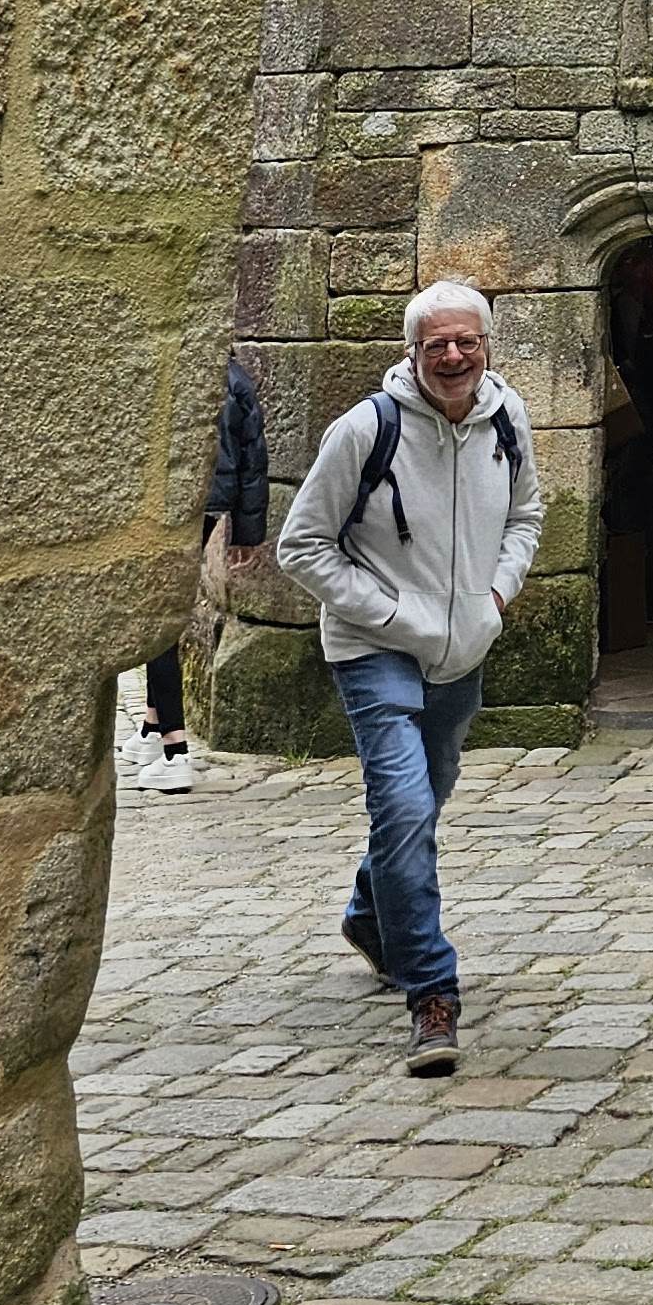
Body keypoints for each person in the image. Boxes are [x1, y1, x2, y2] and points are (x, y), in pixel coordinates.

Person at [277, 278, 542, 1076]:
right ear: (413, 350)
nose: (453, 356)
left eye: (466, 341)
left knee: (422, 803)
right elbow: (302, 545)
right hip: (373, 650)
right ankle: (432, 994)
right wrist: (392, 614)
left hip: (463, 649)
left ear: (486, 345)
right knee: (402, 805)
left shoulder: (508, 418)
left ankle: (371, 916)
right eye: (438, 344)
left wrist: (495, 598)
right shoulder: (366, 429)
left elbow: (525, 517)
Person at [131, 352, 271, 792]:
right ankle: (152, 727)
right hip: (208, 504)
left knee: (156, 621)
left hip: (169, 507)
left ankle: (175, 750)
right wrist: (246, 531)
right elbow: (254, 455)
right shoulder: (235, 376)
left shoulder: (174, 366)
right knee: (160, 612)